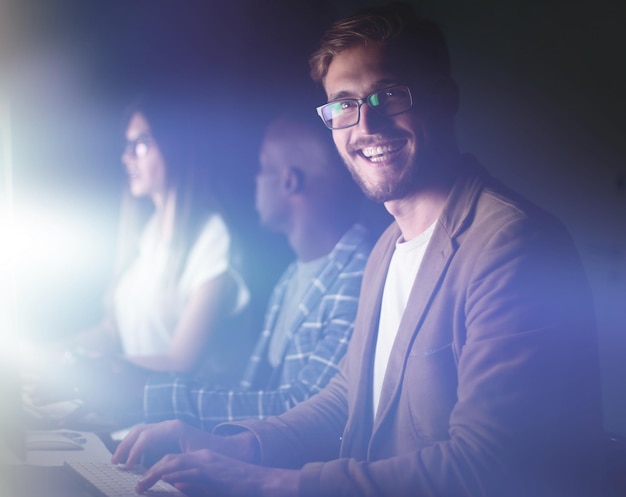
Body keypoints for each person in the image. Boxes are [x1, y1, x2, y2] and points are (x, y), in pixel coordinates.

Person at [112, 3, 605, 496]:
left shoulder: (512, 243)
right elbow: (346, 398)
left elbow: (484, 467)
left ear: (445, 99)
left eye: (389, 95)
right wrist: (225, 446)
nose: (365, 125)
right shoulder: (387, 248)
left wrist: (270, 483)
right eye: (344, 105)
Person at [111, 111, 373, 434]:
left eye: (262, 169)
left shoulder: (359, 276)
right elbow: (257, 394)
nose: (255, 180)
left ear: (289, 181)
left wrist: (149, 395)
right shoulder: (292, 277)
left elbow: (305, 409)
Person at [27, 92, 252, 406]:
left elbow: (181, 361)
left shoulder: (213, 238)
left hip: (177, 428)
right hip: (126, 417)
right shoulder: (147, 236)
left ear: (176, 145)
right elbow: (112, 332)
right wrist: (45, 354)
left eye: (141, 144)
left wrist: (87, 370)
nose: (127, 157)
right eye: (127, 146)